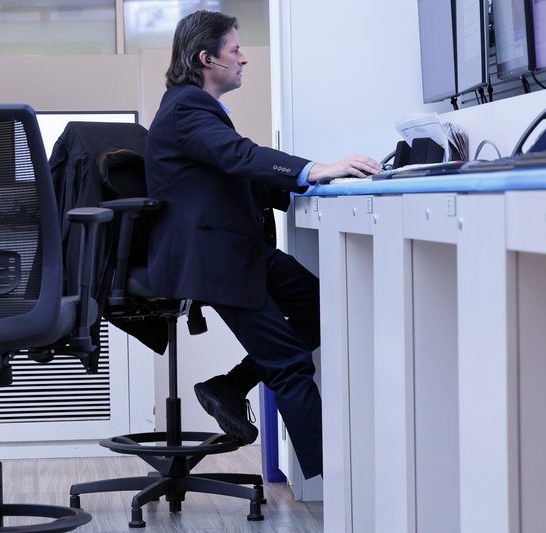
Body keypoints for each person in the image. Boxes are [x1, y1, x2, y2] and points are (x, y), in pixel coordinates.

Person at [144, 10, 381, 480]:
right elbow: (239, 156)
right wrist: (315, 169)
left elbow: (231, 171)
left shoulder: (196, 108)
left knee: (325, 310)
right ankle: (336, 485)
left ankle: (229, 386)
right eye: (235, 50)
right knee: (290, 362)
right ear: (207, 58)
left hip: (238, 250)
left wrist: (323, 183)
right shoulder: (186, 107)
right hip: (214, 259)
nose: (243, 58)